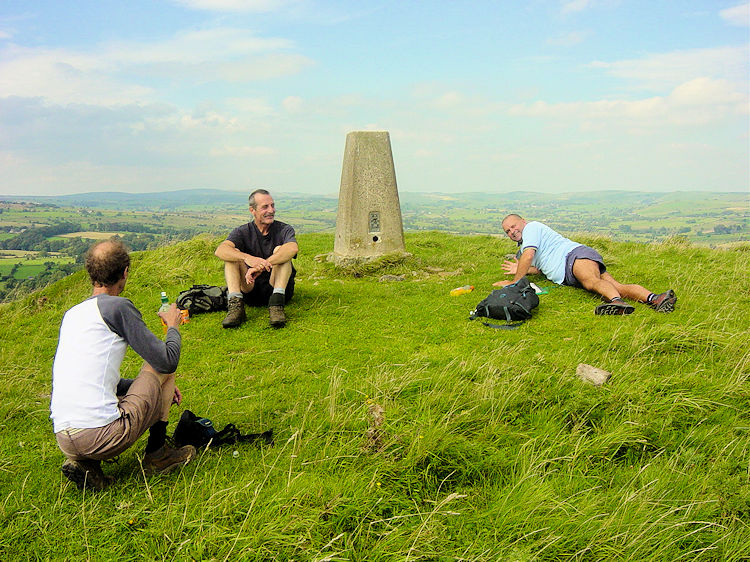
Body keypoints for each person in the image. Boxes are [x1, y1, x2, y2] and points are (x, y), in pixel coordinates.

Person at [50, 239, 196, 491]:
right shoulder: (117, 307)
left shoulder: (72, 314)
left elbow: (94, 379)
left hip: (64, 436)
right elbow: (166, 360)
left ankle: (88, 466)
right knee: (161, 368)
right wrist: (173, 325)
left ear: (91, 273)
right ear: (125, 272)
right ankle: (158, 455)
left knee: (135, 382)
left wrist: (143, 388)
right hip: (101, 435)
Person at [496, 214, 677, 315]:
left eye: (514, 226)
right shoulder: (524, 247)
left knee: (591, 282)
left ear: (523, 222)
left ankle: (616, 303)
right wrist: (522, 269)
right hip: (571, 266)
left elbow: (528, 256)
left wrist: (514, 283)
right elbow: (537, 266)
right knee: (616, 286)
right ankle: (656, 299)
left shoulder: (532, 229)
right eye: (508, 231)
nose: (512, 231)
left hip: (573, 257)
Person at [215, 189, 298, 328]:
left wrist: (261, 265)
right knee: (233, 254)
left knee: (281, 250)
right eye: (265, 207)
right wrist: (247, 258)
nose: (271, 210)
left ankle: (277, 306)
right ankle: (236, 308)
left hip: (277, 288)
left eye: (272, 205)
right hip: (250, 288)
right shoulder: (242, 231)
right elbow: (220, 250)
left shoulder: (284, 229)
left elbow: (292, 248)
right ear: (252, 210)